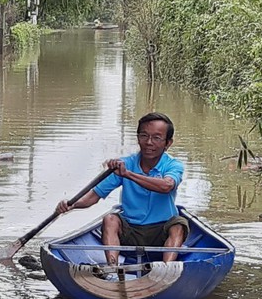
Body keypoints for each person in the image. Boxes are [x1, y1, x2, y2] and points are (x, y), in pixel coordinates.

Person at [58, 112, 187, 269]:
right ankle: (112, 268)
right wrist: (70, 204)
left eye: (157, 138)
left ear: (168, 143)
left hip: (161, 231)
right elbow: (93, 196)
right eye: (144, 136)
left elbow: (166, 186)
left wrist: (129, 174)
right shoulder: (125, 164)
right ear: (138, 137)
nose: (149, 142)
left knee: (179, 224)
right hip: (130, 230)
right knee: (110, 219)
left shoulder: (173, 165)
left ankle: (167, 270)